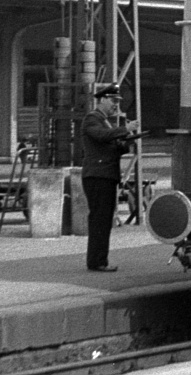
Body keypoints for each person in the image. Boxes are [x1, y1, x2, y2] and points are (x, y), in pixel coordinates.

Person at [81, 82, 138, 272]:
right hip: (98, 176)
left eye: (117, 101)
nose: (116, 105)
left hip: (105, 176)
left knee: (104, 220)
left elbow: (111, 146)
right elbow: (102, 136)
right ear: (103, 99)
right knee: (99, 220)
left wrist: (127, 143)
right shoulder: (92, 119)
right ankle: (97, 261)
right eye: (113, 101)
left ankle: (98, 260)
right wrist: (125, 129)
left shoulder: (105, 121)